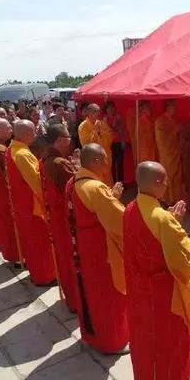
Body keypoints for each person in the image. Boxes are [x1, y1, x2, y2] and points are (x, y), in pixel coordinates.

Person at [123, 161, 190, 380]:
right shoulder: (163, 220)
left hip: (140, 289)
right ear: (157, 183)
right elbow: (184, 264)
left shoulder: (130, 208)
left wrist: (169, 220)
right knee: (170, 345)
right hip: (165, 296)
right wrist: (176, 223)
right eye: (165, 181)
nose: (166, 186)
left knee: (146, 342)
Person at [65, 143, 128, 354]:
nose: (108, 162)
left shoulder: (73, 182)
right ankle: (112, 341)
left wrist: (110, 198)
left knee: (90, 291)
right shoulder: (95, 188)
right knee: (107, 293)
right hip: (100, 249)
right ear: (96, 161)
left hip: (83, 245)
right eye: (105, 158)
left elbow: (91, 210)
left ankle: (92, 335)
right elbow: (119, 221)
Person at [5, 120, 57, 285]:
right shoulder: (22, 154)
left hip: (21, 203)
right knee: (38, 242)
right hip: (31, 204)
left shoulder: (12, 149)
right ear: (26, 134)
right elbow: (36, 181)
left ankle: (37, 273)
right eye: (33, 132)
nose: (35, 135)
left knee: (31, 242)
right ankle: (44, 276)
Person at [40, 123, 79, 312]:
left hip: (56, 216)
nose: (70, 140)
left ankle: (72, 297)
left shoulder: (48, 158)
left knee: (64, 259)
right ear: (60, 141)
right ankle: (77, 300)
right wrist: (79, 168)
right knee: (72, 260)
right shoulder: (58, 163)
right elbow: (77, 188)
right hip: (65, 219)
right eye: (68, 138)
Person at [0, 118, 21, 265]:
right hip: (4, 193)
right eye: (8, 128)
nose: (11, 130)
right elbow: (9, 173)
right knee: (10, 224)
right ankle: (17, 256)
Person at [155, 99, 183, 204]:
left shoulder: (174, 119)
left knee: (176, 177)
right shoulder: (160, 121)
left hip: (176, 153)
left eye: (175, 107)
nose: (174, 109)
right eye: (173, 107)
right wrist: (175, 131)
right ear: (167, 108)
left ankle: (175, 198)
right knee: (168, 176)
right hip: (167, 154)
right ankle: (167, 199)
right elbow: (162, 140)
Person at [78, 104, 113, 185]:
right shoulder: (83, 126)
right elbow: (85, 144)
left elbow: (110, 136)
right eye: (95, 111)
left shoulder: (102, 123)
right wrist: (95, 133)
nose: (97, 113)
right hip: (93, 160)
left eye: (98, 111)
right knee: (96, 181)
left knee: (107, 179)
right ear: (88, 112)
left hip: (104, 156)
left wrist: (102, 135)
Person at [103, 101, 125, 184]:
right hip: (109, 143)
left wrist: (123, 140)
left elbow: (122, 130)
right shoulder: (104, 119)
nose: (111, 110)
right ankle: (114, 182)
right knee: (111, 163)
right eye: (109, 108)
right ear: (106, 110)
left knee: (120, 163)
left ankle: (121, 182)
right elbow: (107, 131)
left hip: (118, 142)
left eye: (112, 108)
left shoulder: (118, 117)